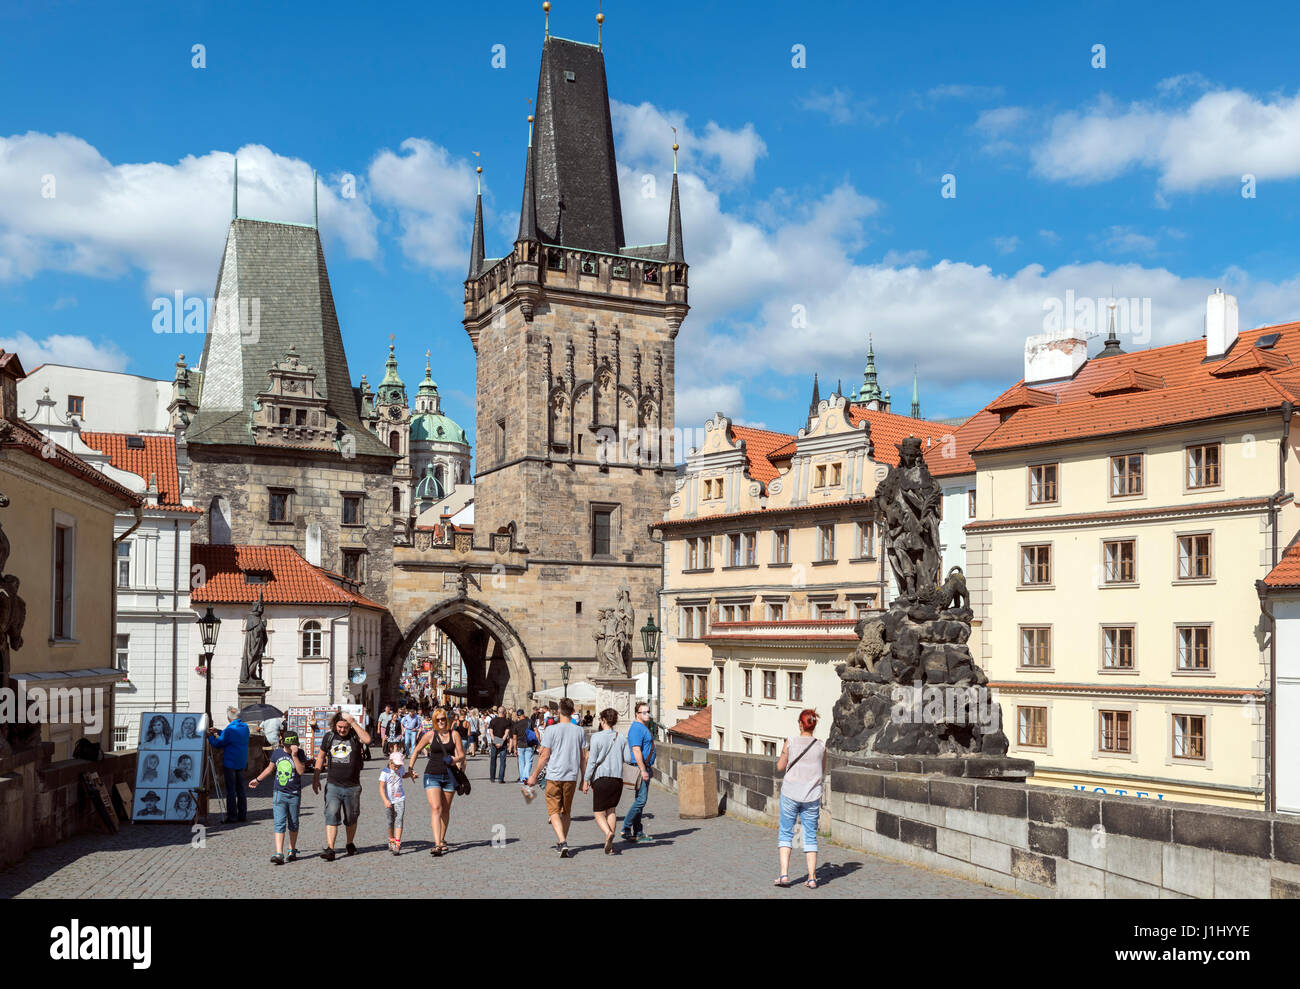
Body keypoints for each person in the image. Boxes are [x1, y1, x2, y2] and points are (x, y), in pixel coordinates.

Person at [525, 697, 588, 857]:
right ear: (573, 712)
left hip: (553, 775)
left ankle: (562, 841)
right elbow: (583, 757)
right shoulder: (580, 731)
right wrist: (584, 780)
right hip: (571, 776)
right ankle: (562, 841)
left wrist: (533, 776)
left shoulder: (552, 730)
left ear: (559, 711)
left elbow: (544, 756)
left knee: (553, 811)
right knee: (566, 811)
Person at [775, 709, 826, 889]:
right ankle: (812, 878)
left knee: (786, 833)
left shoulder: (791, 742)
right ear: (814, 725)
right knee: (810, 835)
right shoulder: (821, 746)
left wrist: (784, 752)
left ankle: (784, 875)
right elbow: (822, 771)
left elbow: (780, 766)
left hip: (790, 794)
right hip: (811, 796)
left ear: (800, 724)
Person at [311, 709, 371, 861]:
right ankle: (330, 848)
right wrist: (316, 778)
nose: (342, 730)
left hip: (352, 785)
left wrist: (353, 723)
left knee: (351, 817)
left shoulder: (355, 736)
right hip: (333, 784)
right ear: (334, 725)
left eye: (345, 727)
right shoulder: (329, 737)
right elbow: (320, 757)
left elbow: (368, 740)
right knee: (331, 814)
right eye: (339, 727)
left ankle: (349, 843)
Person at [409, 707, 465, 856]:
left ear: (447, 720)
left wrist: (455, 759)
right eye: (437, 719)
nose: (440, 722)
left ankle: (441, 839)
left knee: (445, 809)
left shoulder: (455, 735)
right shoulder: (429, 735)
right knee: (436, 808)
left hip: (449, 776)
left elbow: (462, 755)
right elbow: (416, 750)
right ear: (434, 721)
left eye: (442, 719)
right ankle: (437, 844)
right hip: (432, 774)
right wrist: (410, 768)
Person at [249, 729, 307, 865]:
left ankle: (292, 850)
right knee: (279, 822)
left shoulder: (300, 753)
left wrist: (295, 755)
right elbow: (270, 769)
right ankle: (279, 852)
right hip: (279, 793)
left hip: (294, 794)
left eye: (293, 745)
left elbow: (301, 771)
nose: (290, 747)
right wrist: (258, 780)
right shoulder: (277, 753)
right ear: (282, 743)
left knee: (293, 822)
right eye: (288, 746)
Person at [582, 708, 625, 855]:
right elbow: (629, 758)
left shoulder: (596, 737)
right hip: (617, 779)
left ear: (603, 720)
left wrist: (585, 780)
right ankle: (610, 845)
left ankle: (608, 833)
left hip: (601, 779)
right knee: (611, 810)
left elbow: (592, 761)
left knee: (598, 813)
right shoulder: (621, 737)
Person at [208, 706, 251, 824]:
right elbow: (232, 737)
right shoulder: (245, 727)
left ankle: (232, 816)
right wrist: (219, 731)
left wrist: (210, 737)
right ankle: (242, 815)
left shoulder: (230, 729)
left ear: (228, 718)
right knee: (241, 789)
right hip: (241, 761)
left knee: (231, 790)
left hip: (230, 762)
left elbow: (219, 743)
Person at [620, 702, 656, 844]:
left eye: (648, 711)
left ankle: (638, 832)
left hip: (645, 767)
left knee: (639, 801)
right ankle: (626, 827)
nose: (647, 714)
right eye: (644, 712)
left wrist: (648, 767)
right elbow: (636, 750)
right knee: (641, 800)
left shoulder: (642, 727)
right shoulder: (636, 728)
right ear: (637, 714)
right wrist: (643, 770)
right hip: (640, 768)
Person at [378, 750, 411, 855]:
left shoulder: (401, 769)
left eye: (399, 765)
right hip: (389, 800)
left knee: (399, 819)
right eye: (395, 765)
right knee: (390, 821)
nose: (397, 768)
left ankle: (397, 843)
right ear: (390, 761)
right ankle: (391, 839)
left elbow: (403, 775)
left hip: (400, 799)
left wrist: (410, 775)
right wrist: (385, 800)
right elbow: (381, 788)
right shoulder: (385, 772)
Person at [487, 705, 512, 784]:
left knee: (493, 760)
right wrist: (500, 742)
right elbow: (506, 733)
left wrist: (495, 741)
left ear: (498, 712)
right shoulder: (507, 721)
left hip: (494, 742)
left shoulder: (493, 721)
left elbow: (490, 732)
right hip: (503, 743)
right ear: (504, 712)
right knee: (502, 761)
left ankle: (492, 778)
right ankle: (500, 779)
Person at [509, 708, 534, 784]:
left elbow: (514, 738)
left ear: (518, 716)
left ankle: (522, 779)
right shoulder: (530, 722)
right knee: (529, 761)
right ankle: (525, 777)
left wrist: (514, 748)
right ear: (524, 714)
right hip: (529, 744)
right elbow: (536, 731)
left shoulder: (516, 724)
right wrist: (538, 742)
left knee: (521, 762)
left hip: (520, 745)